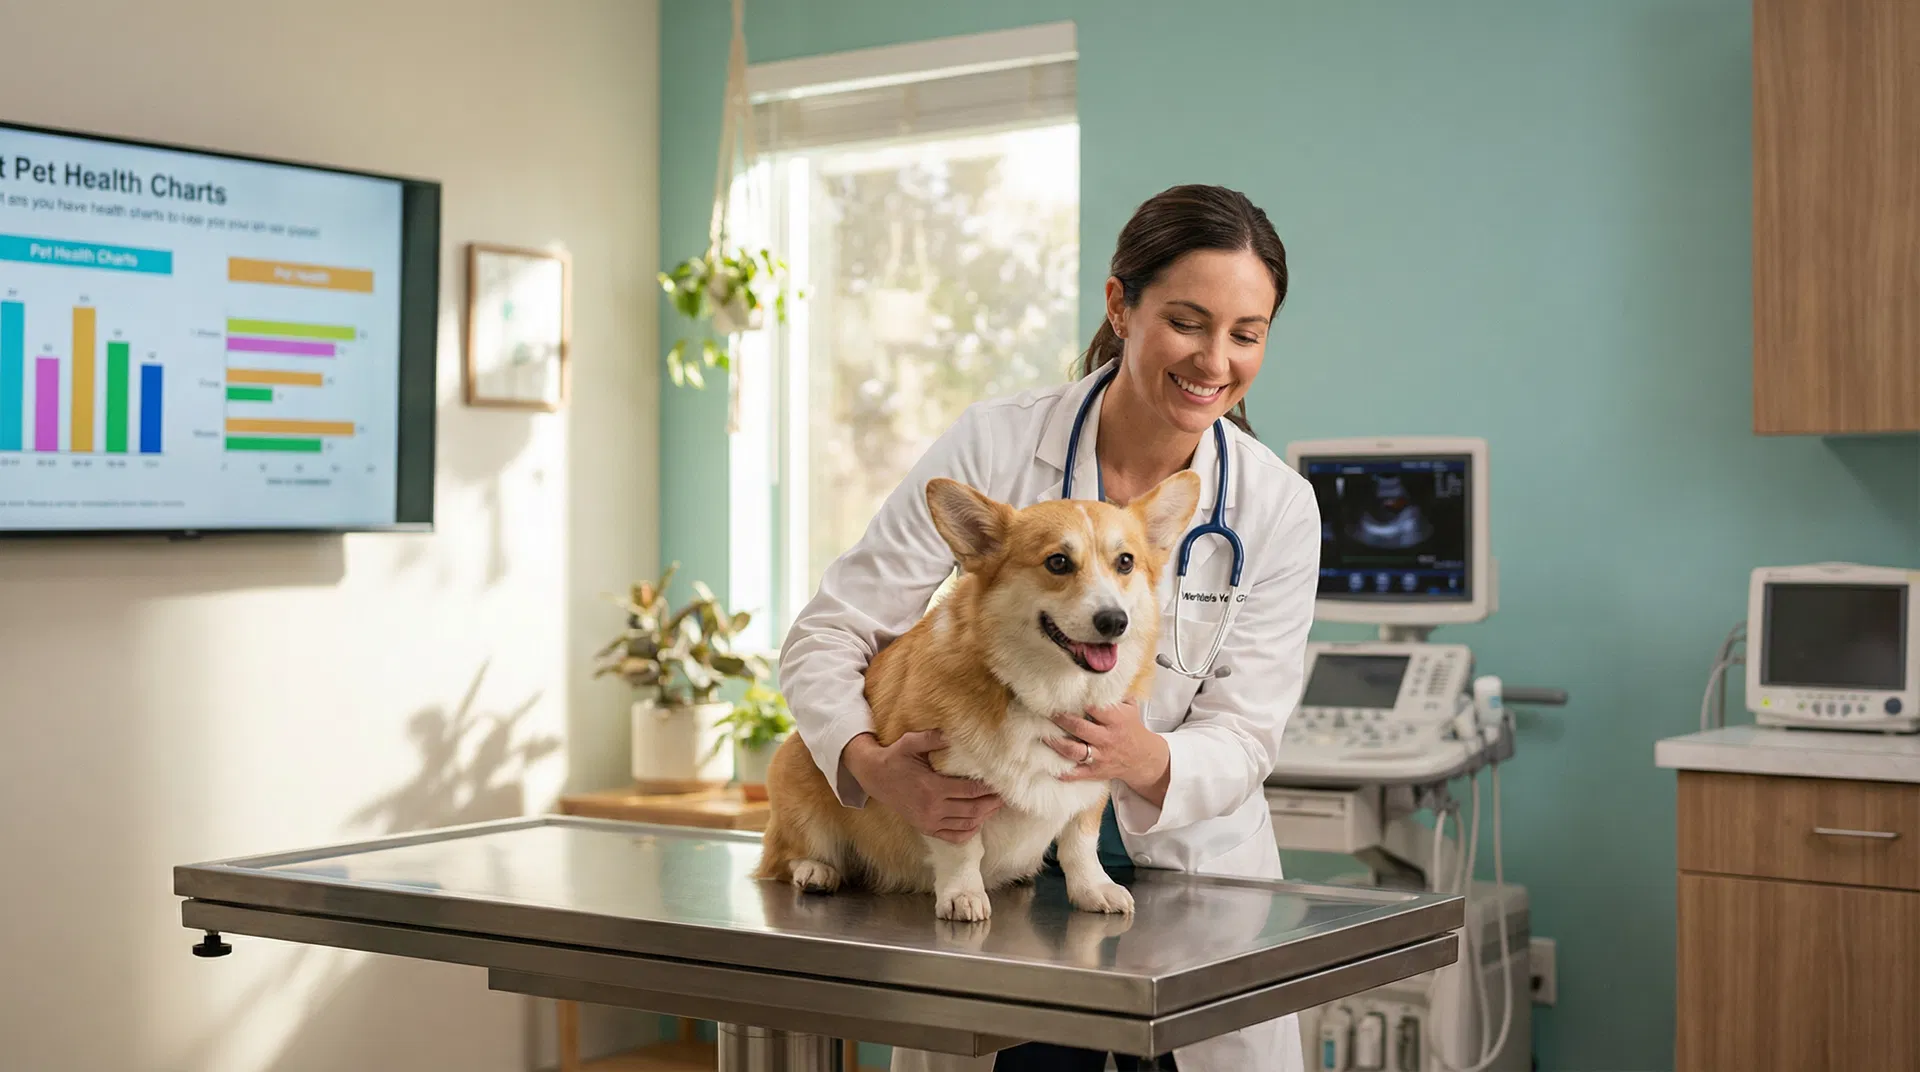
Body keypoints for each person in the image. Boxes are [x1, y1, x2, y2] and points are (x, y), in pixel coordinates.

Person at [778, 184, 1321, 1072]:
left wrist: (1142, 758)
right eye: (1187, 322)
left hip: (1182, 874)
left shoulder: (1274, 507)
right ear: (1120, 304)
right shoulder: (996, 446)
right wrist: (874, 771)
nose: (1215, 359)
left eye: (1246, 333)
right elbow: (830, 632)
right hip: (993, 872)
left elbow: (1248, 731)